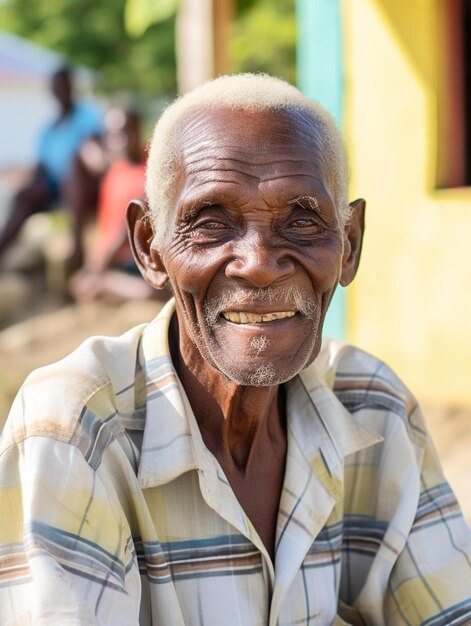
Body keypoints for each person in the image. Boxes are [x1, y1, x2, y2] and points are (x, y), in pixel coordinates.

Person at [0, 74, 470, 625]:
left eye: (302, 220)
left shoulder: (375, 409)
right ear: (149, 247)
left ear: (350, 244)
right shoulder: (76, 430)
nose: (259, 261)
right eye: (211, 222)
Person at [0, 65, 102, 265]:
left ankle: (76, 246)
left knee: (74, 171)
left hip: (81, 186)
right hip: (54, 188)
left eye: (65, 85)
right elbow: (42, 166)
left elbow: (92, 153)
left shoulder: (87, 116)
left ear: (71, 87)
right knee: (24, 195)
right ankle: (3, 249)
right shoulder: (49, 129)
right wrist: (32, 185)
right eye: (57, 87)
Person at [69, 108, 158, 303]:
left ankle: (102, 283)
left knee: (151, 291)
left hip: (137, 258)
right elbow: (107, 228)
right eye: (113, 135)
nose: (120, 140)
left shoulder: (151, 171)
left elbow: (126, 232)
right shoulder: (115, 171)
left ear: (137, 130)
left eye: (125, 132)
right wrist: (94, 267)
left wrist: (96, 270)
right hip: (114, 259)